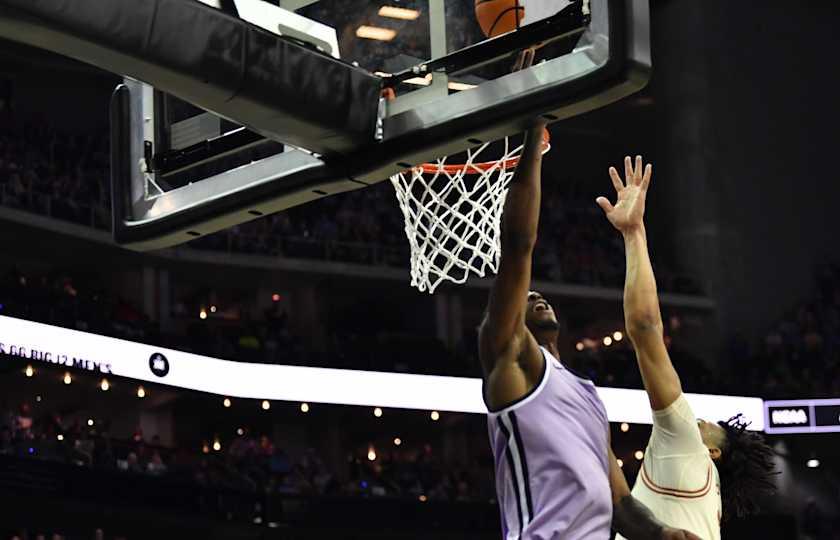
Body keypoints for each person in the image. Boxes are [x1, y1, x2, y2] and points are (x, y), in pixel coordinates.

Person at [479, 123, 700, 540]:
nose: (536, 295)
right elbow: (519, 244)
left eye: (540, 294)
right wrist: (532, 142)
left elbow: (621, 505)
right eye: (527, 297)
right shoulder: (511, 358)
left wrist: (663, 533)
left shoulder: (588, 395)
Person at [597, 156, 778, 540]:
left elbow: (646, 329)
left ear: (713, 452)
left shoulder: (686, 446)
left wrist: (635, 233)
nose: (698, 420)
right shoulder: (699, 492)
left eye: (709, 426)